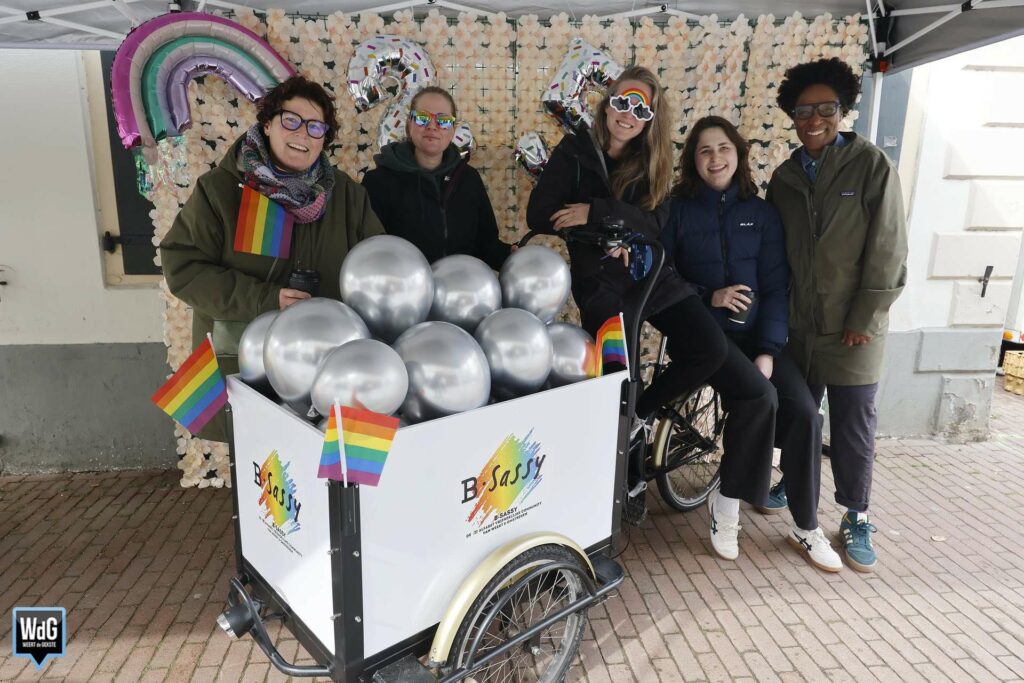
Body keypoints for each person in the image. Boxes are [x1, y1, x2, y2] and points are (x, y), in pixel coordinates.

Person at [527, 67, 774, 544]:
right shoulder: (575, 151)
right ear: (608, 104)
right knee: (617, 380)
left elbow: (656, 222)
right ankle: (626, 484)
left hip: (653, 275)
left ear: (650, 118)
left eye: (641, 108)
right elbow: (540, 213)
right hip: (601, 283)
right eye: (623, 102)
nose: (629, 114)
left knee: (708, 349)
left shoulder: (653, 159)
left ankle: (642, 413)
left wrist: (598, 213)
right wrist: (606, 229)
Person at [160, 75, 384, 443]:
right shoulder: (222, 191)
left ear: (324, 138)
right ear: (267, 123)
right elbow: (183, 268)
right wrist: (266, 299)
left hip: (327, 367)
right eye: (291, 120)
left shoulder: (347, 195)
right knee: (259, 464)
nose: (303, 134)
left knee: (328, 463)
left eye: (315, 127)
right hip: (245, 363)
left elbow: (377, 269)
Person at [663, 115, 842, 571]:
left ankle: (806, 524)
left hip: (755, 339)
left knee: (805, 412)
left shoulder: (761, 215)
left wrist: (767, 349)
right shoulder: (677, 211)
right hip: (703, 339)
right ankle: (726, 504)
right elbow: (665, 276)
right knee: (759, 398)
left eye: (723, 148)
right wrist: (709, 296)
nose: (715, 158)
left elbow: (777, 286)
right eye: (704, 150)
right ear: (693, 160)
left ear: (739, 154)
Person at [766, 58, 908, 572]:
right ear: (792, 115)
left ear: (843, 110)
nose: (814, 120)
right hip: (800, 326)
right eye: (803, 111)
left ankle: (856, 514)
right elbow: (774, 253)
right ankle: (793, 481)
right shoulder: (784, 178)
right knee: (799, 415)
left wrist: (865, 317)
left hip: (853, 329)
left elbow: (888, 249)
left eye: (826, 109)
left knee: (852, 425)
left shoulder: (870, 166)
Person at [362, 86, 512, 269]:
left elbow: (486, 244)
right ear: (409, 123)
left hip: (459, 283)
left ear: (453, 129)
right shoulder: (378, 182)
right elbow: (370, 252)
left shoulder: (469, 179)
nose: (432, 126)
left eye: (443, 121)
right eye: (422, 118)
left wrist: (511, 255)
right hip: (402, 284)